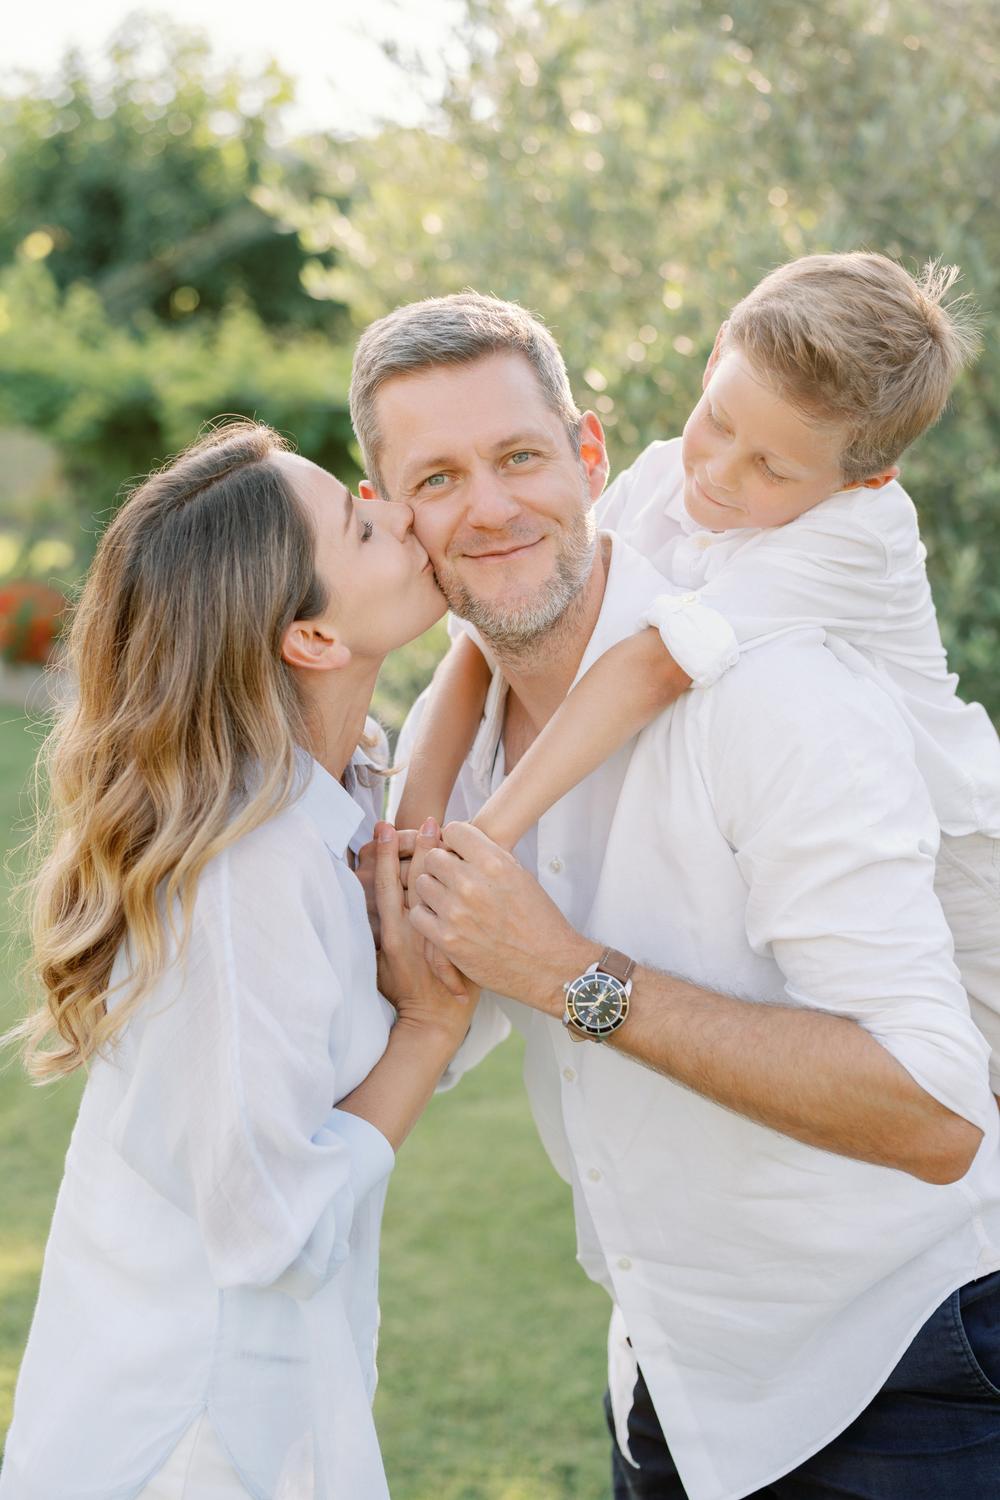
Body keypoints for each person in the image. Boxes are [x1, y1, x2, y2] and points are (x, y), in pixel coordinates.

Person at [350, 291, 1000, 1499]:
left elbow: (937, 1115)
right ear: (388, 512)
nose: (489, 505)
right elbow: (466, 661)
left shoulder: (788, 676)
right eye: (437, 478)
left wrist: (560, 968)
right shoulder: (631, 520)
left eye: (518, 456)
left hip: (899, 1381)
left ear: (579, 454)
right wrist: (417, 840)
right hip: (675, 1386)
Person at [0, 421, 476, 1500]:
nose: (395, 508)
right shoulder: (244, 875)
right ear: (308, 639)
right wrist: (429, 1029)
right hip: (189, 1444)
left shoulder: (331, 795)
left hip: (264, 1404)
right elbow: (274, 1225)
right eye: (362, 525)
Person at [394, 253, 1000, 1095]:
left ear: (867, 475)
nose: (718, 472)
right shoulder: (657, 477)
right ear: (717, 357)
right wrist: (413, 838)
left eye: (773, 470)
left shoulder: (862, 534)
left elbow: (647, 669)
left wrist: (481, 845)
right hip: (837, 858)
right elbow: (479, 642)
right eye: (719, 422)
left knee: (961, 1108)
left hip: (965, 886)